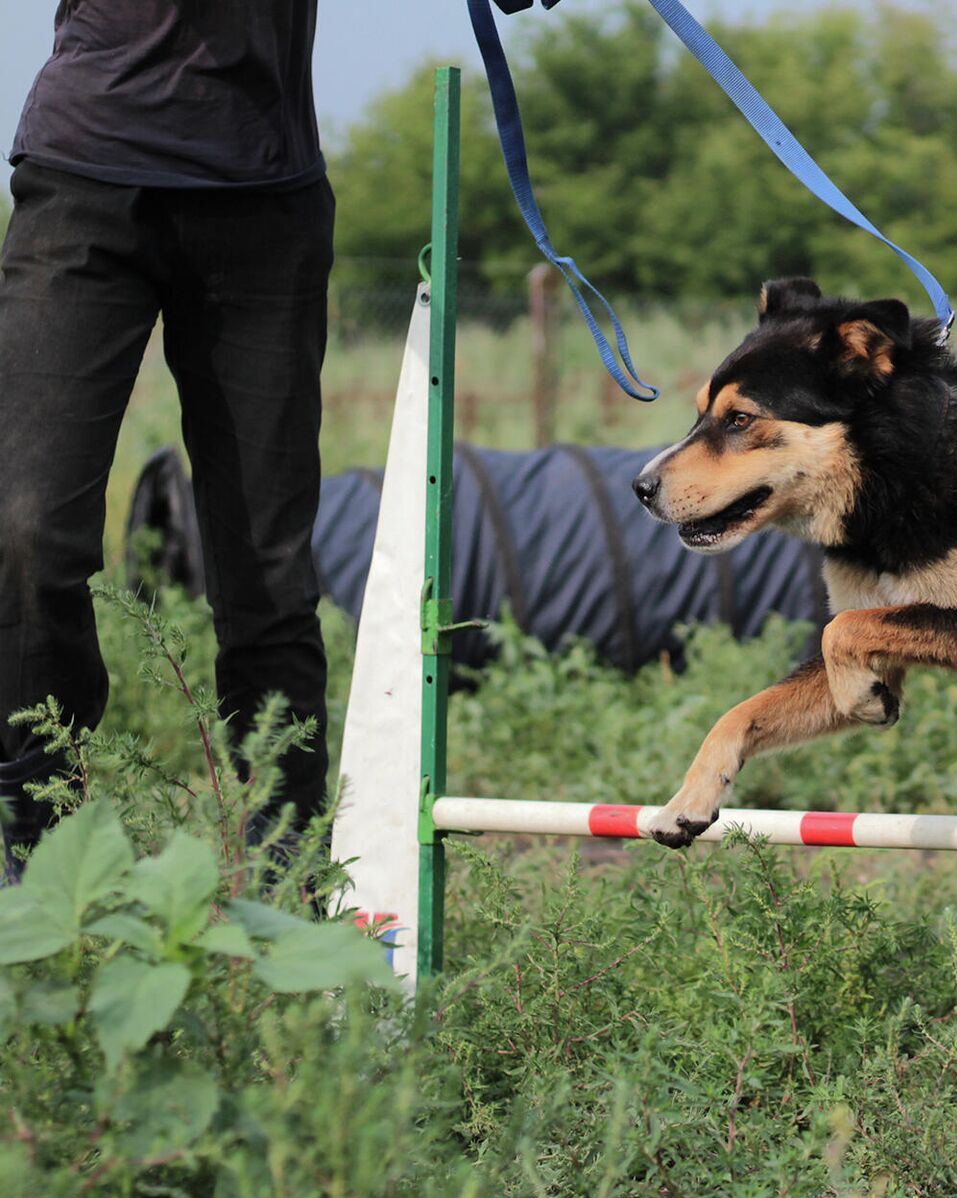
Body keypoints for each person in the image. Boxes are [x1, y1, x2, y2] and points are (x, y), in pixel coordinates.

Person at [0, 0, 550, 880]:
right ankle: (33, 842)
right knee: (23, 531)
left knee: (266, 572)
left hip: (262, 199)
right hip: (86, 179)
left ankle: (280, 871)